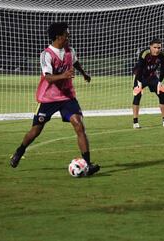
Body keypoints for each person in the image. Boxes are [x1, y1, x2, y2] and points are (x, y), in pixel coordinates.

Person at [9, 22, 100, 176]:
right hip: (48, 98)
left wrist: (84, 74)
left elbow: (74, 61)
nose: (69, 36)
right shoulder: (46, 54)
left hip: (66, 96)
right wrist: (64, 75)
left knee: (79, 125)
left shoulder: (70, 50)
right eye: (66, 34)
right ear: (59, 37)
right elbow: (49, 78)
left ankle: (88, 164)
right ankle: (20, 150)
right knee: (36, 130)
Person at [132, 38, 164, 129]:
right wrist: (138, 83)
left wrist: (160, 82)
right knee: (137, 96)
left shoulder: (162, 55)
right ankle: (135, 122)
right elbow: (139, 68)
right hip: (140, 76)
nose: (157, 50)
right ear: (150, 47)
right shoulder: (145, 53)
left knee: (162, 93)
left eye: (159, 47)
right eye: (155, 47)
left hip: (152, 76)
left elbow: (163, 70)